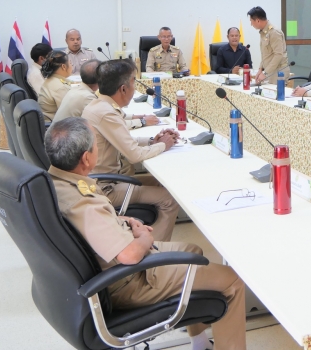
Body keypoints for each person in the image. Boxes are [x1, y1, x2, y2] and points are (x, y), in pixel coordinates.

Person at [45, 117, 247, 350]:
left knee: (192, 250)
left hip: (112, 268)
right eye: (95, 145)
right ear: (86, 158)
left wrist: (122, 221)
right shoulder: (84, 204)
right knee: (232, 281)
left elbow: (90, 225)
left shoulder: (57, 183)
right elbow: (129, 255)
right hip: (129, 281)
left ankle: (199, 342)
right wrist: (144, 237)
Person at [82, 59, 181, 241]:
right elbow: (134, 155)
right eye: (134, 82)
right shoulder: (106, 113)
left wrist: (153, 141)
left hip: (101, 180)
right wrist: (164, 145)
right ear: (123, 89)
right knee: (170, 199)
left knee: (160, 183)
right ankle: (154, 250)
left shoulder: (100, 105)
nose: (135, 88)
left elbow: (125, 141)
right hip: (104, 187)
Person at [54, 60, 161, 128]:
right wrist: (142, 121)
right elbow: (113, 125)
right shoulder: (88, 98)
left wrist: (135, 116)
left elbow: (113, 117)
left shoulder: (78, 90)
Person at [247, 6, 290, 84]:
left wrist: (265, 73)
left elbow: (278, 55)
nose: (251, 24)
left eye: (251, 21)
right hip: (269, 71)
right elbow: (266, 55)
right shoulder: (263, 32)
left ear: (258, 20)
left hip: (278, 72)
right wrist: (260, 69)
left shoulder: (274, 32)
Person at [37, 50, 73, 121]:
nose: (72, 66)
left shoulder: (50, 79)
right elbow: (68, 113)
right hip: (54, 124)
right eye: (70, 63)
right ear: (63, 67)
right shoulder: (60, 88)